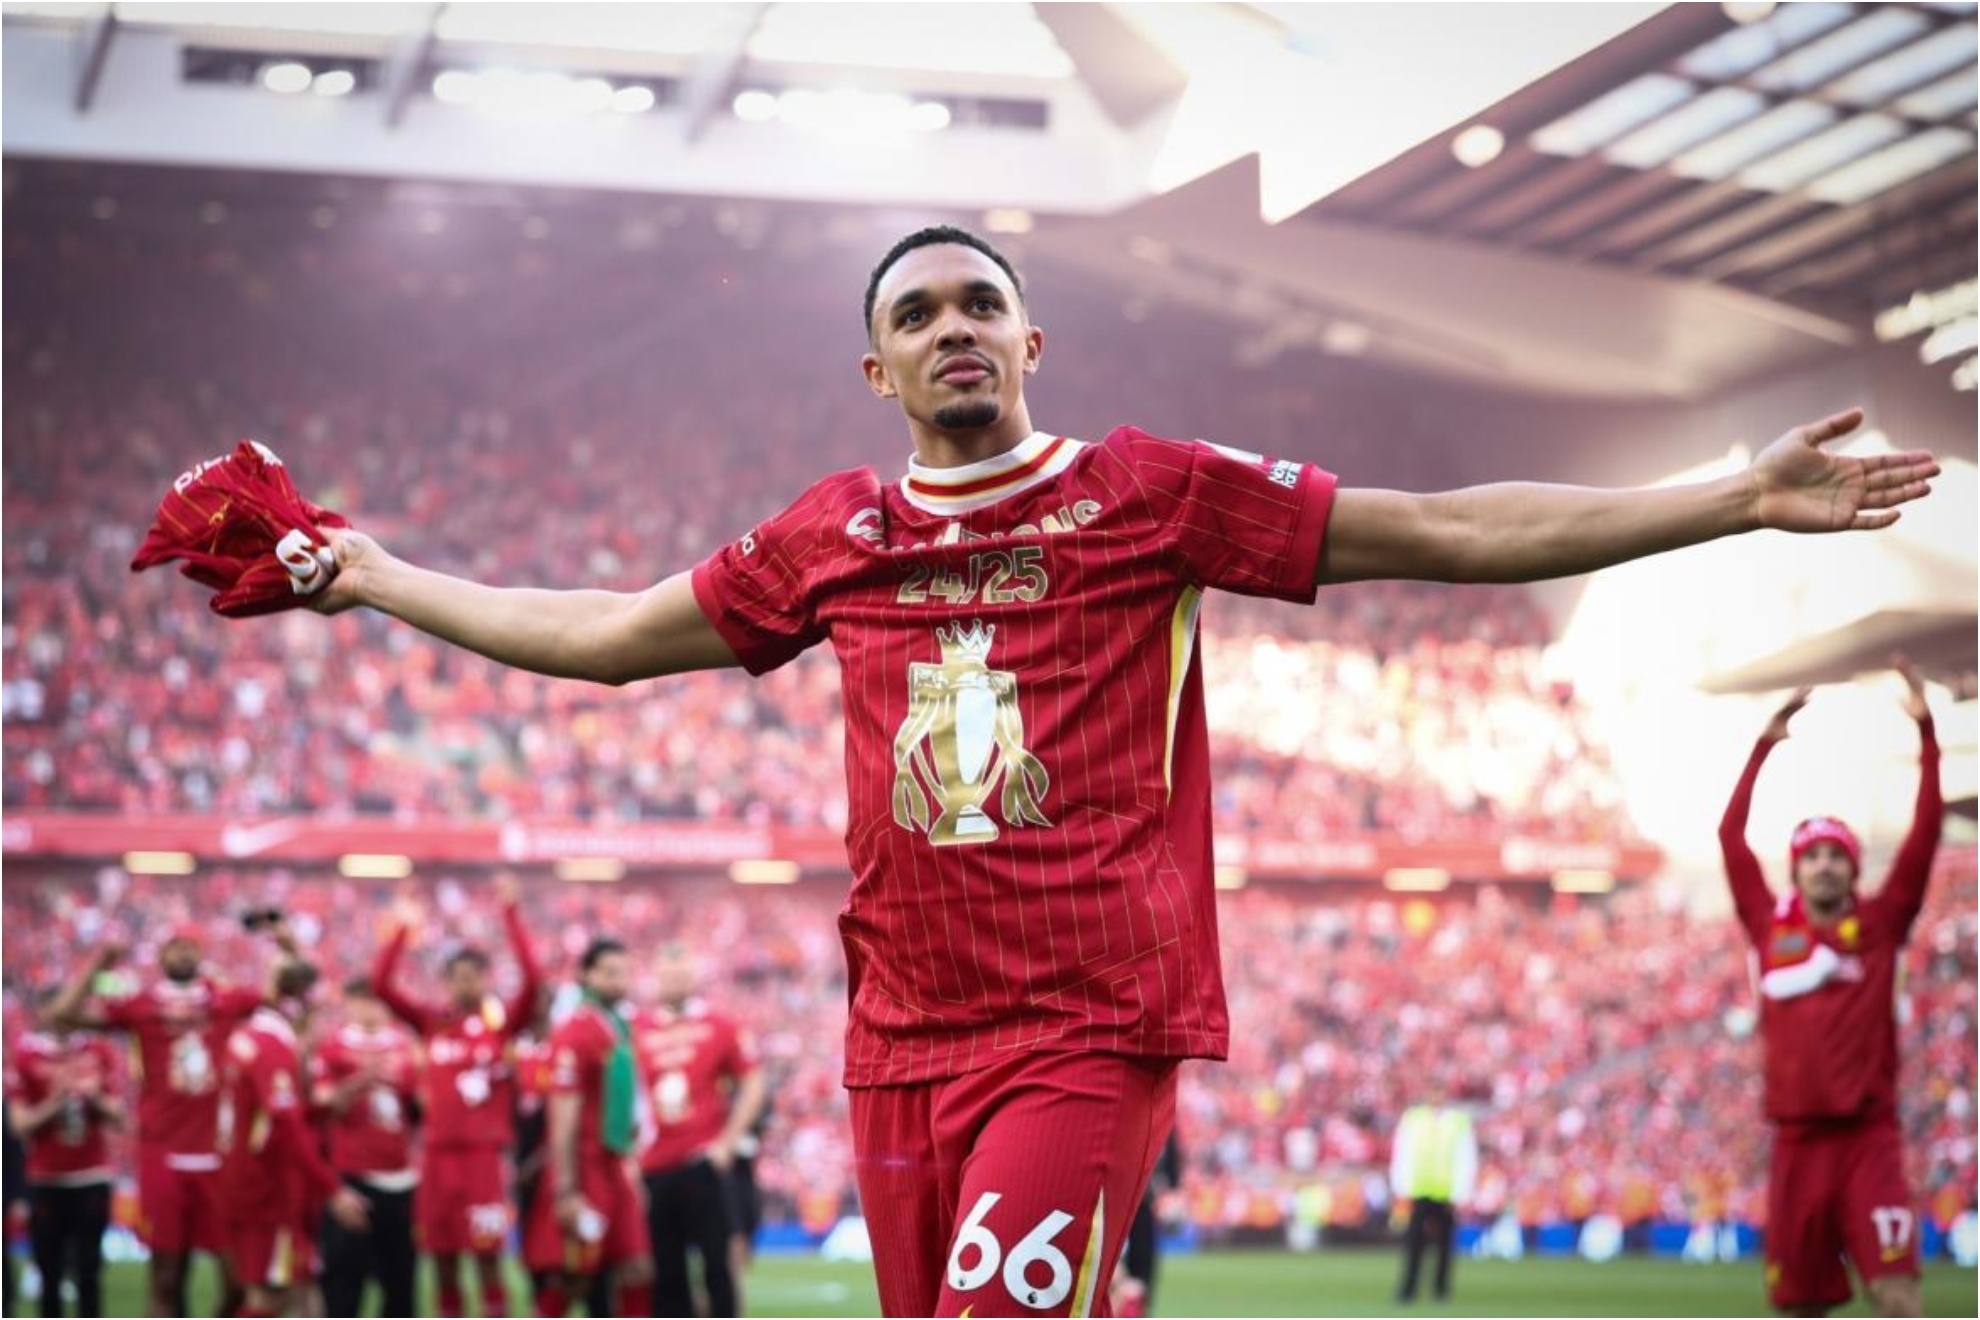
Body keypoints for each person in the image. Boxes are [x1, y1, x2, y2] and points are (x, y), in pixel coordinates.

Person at [302, 225, 1938, 1315]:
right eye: (915, 317)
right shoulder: (830, 536)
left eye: (977, 306)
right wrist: (375, 573)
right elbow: (599, 634)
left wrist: (1730, 497)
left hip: (1082, 1032)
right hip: (896, 1049)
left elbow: (1446, 531)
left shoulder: (1149, 492)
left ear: (1030, 341)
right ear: (878, 373)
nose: (953, 330)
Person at [1719, 657, 1943, 1318]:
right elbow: (1729, 838)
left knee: (1898, 1297)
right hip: (1795, 1145)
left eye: (1835, 855)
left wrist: (1928, 733)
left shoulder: (1881, 922)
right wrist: (1763, 746)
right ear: (1796, 869)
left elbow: (1926, 834)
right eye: (1811, 855)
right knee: (1797, 1309)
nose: (1823, 865)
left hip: (1868, 1140)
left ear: (1852, 869)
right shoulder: (1767, 926)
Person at [41, 921, 294, 1318]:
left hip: (217, 1155)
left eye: (190, 945)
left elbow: (284, 994)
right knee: (165, 1279)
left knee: (237, 1284)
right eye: (174, 945)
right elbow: (62, 1013)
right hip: (162, 1151)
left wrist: (288, 944)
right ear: (160, 955)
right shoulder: (141, 1005)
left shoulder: (224, 1000)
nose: (182, 953)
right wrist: (100, 962)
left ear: (203, 953)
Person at [371, 875, 540, 1320]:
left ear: (486, 980)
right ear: (445, 982)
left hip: (483, 1160)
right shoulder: (431, 1024)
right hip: (438, 1160)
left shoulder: (501, 1029)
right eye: (457, 977)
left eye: (474, 976)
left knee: (487, 1262)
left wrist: (511, 915)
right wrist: (403, 927)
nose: (466, 984)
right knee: (443, 1265)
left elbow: (535, 980)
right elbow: (381, 986)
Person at [218, 960, 370, 1318]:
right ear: (298, 1008)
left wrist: (321, 1109)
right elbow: (285, 1127)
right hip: (265, 1190)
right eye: (315, 1012)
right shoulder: (271, 1048)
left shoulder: (249, 1037)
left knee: (298, 1290)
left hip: (252, 1183)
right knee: (270, 1297)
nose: (319, 1024)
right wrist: (332, 1190)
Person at [634, 943, 766, 1318]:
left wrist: (726, 1143)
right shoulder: (636, 1029)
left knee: (718, 1267)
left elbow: (754, 1083)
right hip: (654, 1166)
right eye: (667, 975)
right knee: (665, 1272)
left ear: (693, 978)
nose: (674, 982)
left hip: (702, 1164)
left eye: (681, 975)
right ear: (655, 979)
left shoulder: (720, 1026)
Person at [523, 940, 653, 1318]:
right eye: (609, 973)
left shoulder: (617, 1026)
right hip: (584, 1169)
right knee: (573, 1276)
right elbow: (562, 1116)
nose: (619, 981)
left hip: (614, 1166)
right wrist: (565, 1190)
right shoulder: (574, 1031)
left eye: (624, 972)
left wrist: (630, 1168)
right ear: (586, 975)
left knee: (637, 1269)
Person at [5, 999, 122, 1319]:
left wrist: (94, 1097)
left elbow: (120, 1116)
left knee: (89, 1272)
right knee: (50, 1273)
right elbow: (18, 1124)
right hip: (46, 1179)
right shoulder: (28, 1055)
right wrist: (54, 1103)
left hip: (92, 1176)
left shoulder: (97, 1052)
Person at [310, 977, 419, 1319]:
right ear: (350, 1003)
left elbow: (418, 1108)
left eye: (376, 1000)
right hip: (352, 1177)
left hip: (400, 1179)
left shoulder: (405, 1046)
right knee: (344, 1286)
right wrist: (362, 1080)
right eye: (363, 1000)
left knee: (401, 1287)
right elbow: (322, 1104)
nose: (370, 1008)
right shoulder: (334, 1046)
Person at [1389, 1079, 1476, 1304]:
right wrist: (1401, 1186)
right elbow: (1402, 1153)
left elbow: (1465, 1158)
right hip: (1418, 1190)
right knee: (1414, 1243)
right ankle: (1408, 1290)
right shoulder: (1413, 1119)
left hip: (1445, 1193)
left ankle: (1441, 1290)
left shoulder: (1458, 1121)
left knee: (1445, 1245)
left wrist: (1460, 1192)